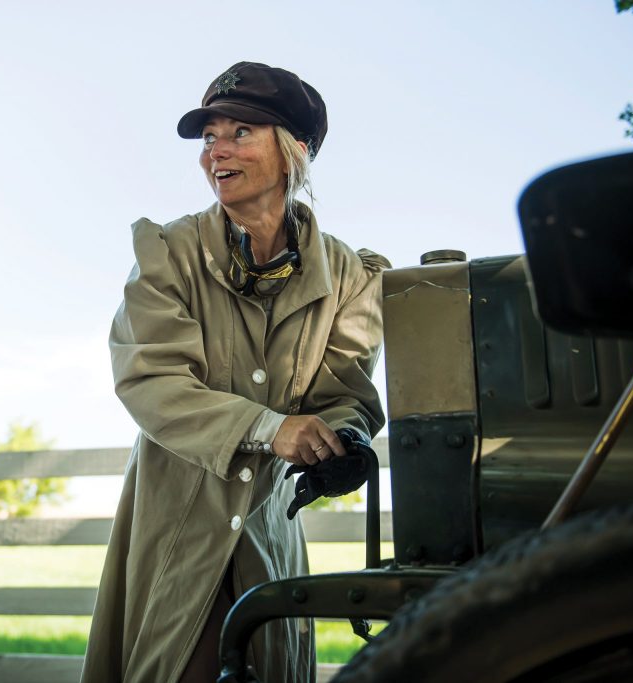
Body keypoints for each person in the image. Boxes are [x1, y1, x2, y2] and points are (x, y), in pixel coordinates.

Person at [81, 62, 390, 683]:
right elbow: (151, 380)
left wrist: (343, 439)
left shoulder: (350, 276)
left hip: (269, 535)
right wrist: (269, 427)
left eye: (239, 132)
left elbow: (343, 391)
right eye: (208, 137)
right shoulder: (168, 253)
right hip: (175, 529)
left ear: (294, 150)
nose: (215, 153)